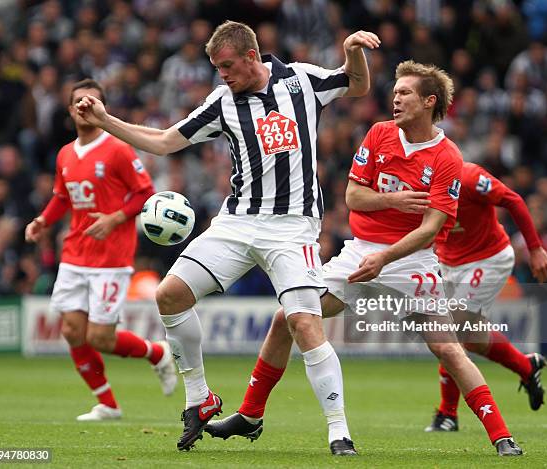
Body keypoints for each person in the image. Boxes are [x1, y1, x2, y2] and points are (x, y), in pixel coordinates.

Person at [74, 21, 381, 454]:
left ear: (252, 56)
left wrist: (352, 50)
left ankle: (338, 430)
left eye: (227, 66)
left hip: (292, 227)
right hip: (237, 223)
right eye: (217, 68)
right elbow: (164, 142)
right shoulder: (223, 102)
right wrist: (105, 120)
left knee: (303, 322)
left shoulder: (302, 80)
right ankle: (199, 399)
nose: (222, 75)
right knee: (170, 295)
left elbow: (357, 84)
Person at [205, 60, 523, 456]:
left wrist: (386, 257)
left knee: (447, 347)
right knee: (288, 316)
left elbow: (429, 228)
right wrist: (392, 201)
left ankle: (501, 435)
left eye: (405, 92)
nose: (395, 98)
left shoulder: (447, 156)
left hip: (412, 261)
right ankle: (250, 414)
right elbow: (353, 196)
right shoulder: (379, 134)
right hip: (359, 251)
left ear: (429, 102)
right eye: (395, 92)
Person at [25, 78, 177, 421]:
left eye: (91, 101)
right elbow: (63, 197)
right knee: (71, 331)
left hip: (111, 256)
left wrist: (114, 219)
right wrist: (42, 221)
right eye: (78, 101)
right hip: (75, 253)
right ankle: (107, 404)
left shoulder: (118, 148)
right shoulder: (65, 153)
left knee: (100, 337)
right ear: (69, 110)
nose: (84, 106)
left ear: (101, 108)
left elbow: (144, 192)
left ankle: (157, 353)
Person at [425, 161, 547, 432]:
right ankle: (526, 366)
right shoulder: (417, 179)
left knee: (451, 331)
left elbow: (513, 200)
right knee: (473, 339)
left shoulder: (470, 177)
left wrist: (535, 248)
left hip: (487, 260)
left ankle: (447, 414)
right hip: (448, 263)